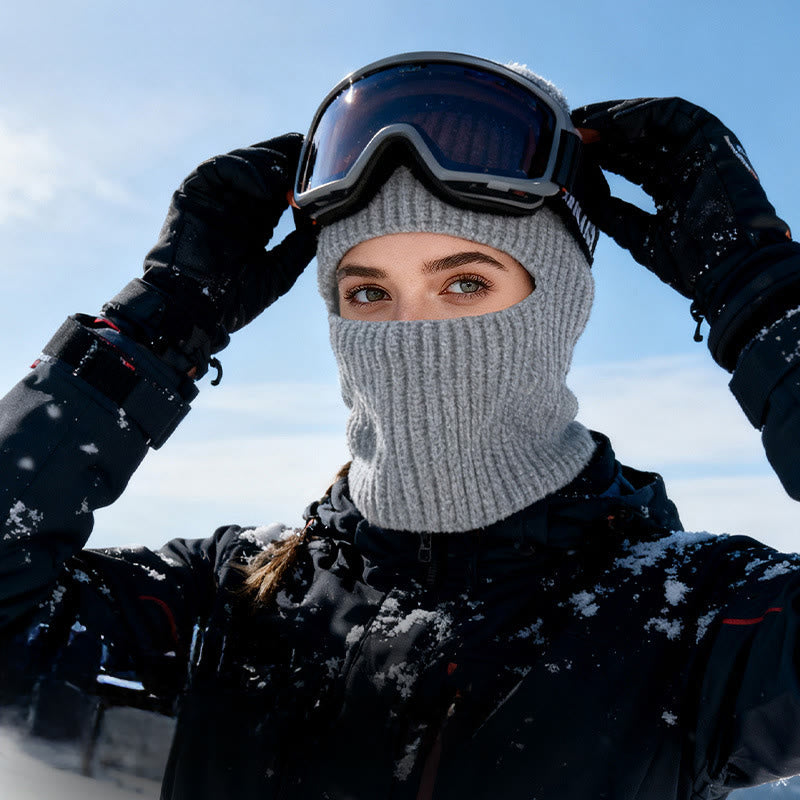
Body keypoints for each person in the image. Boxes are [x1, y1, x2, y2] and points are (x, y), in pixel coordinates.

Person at [1, 50, 800, 800]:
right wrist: (150, 333)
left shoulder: (694, 622)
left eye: (465, 284)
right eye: (369, 293)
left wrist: (764, 300)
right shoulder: (230, 597)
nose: (410, 334)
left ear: (561, 306)